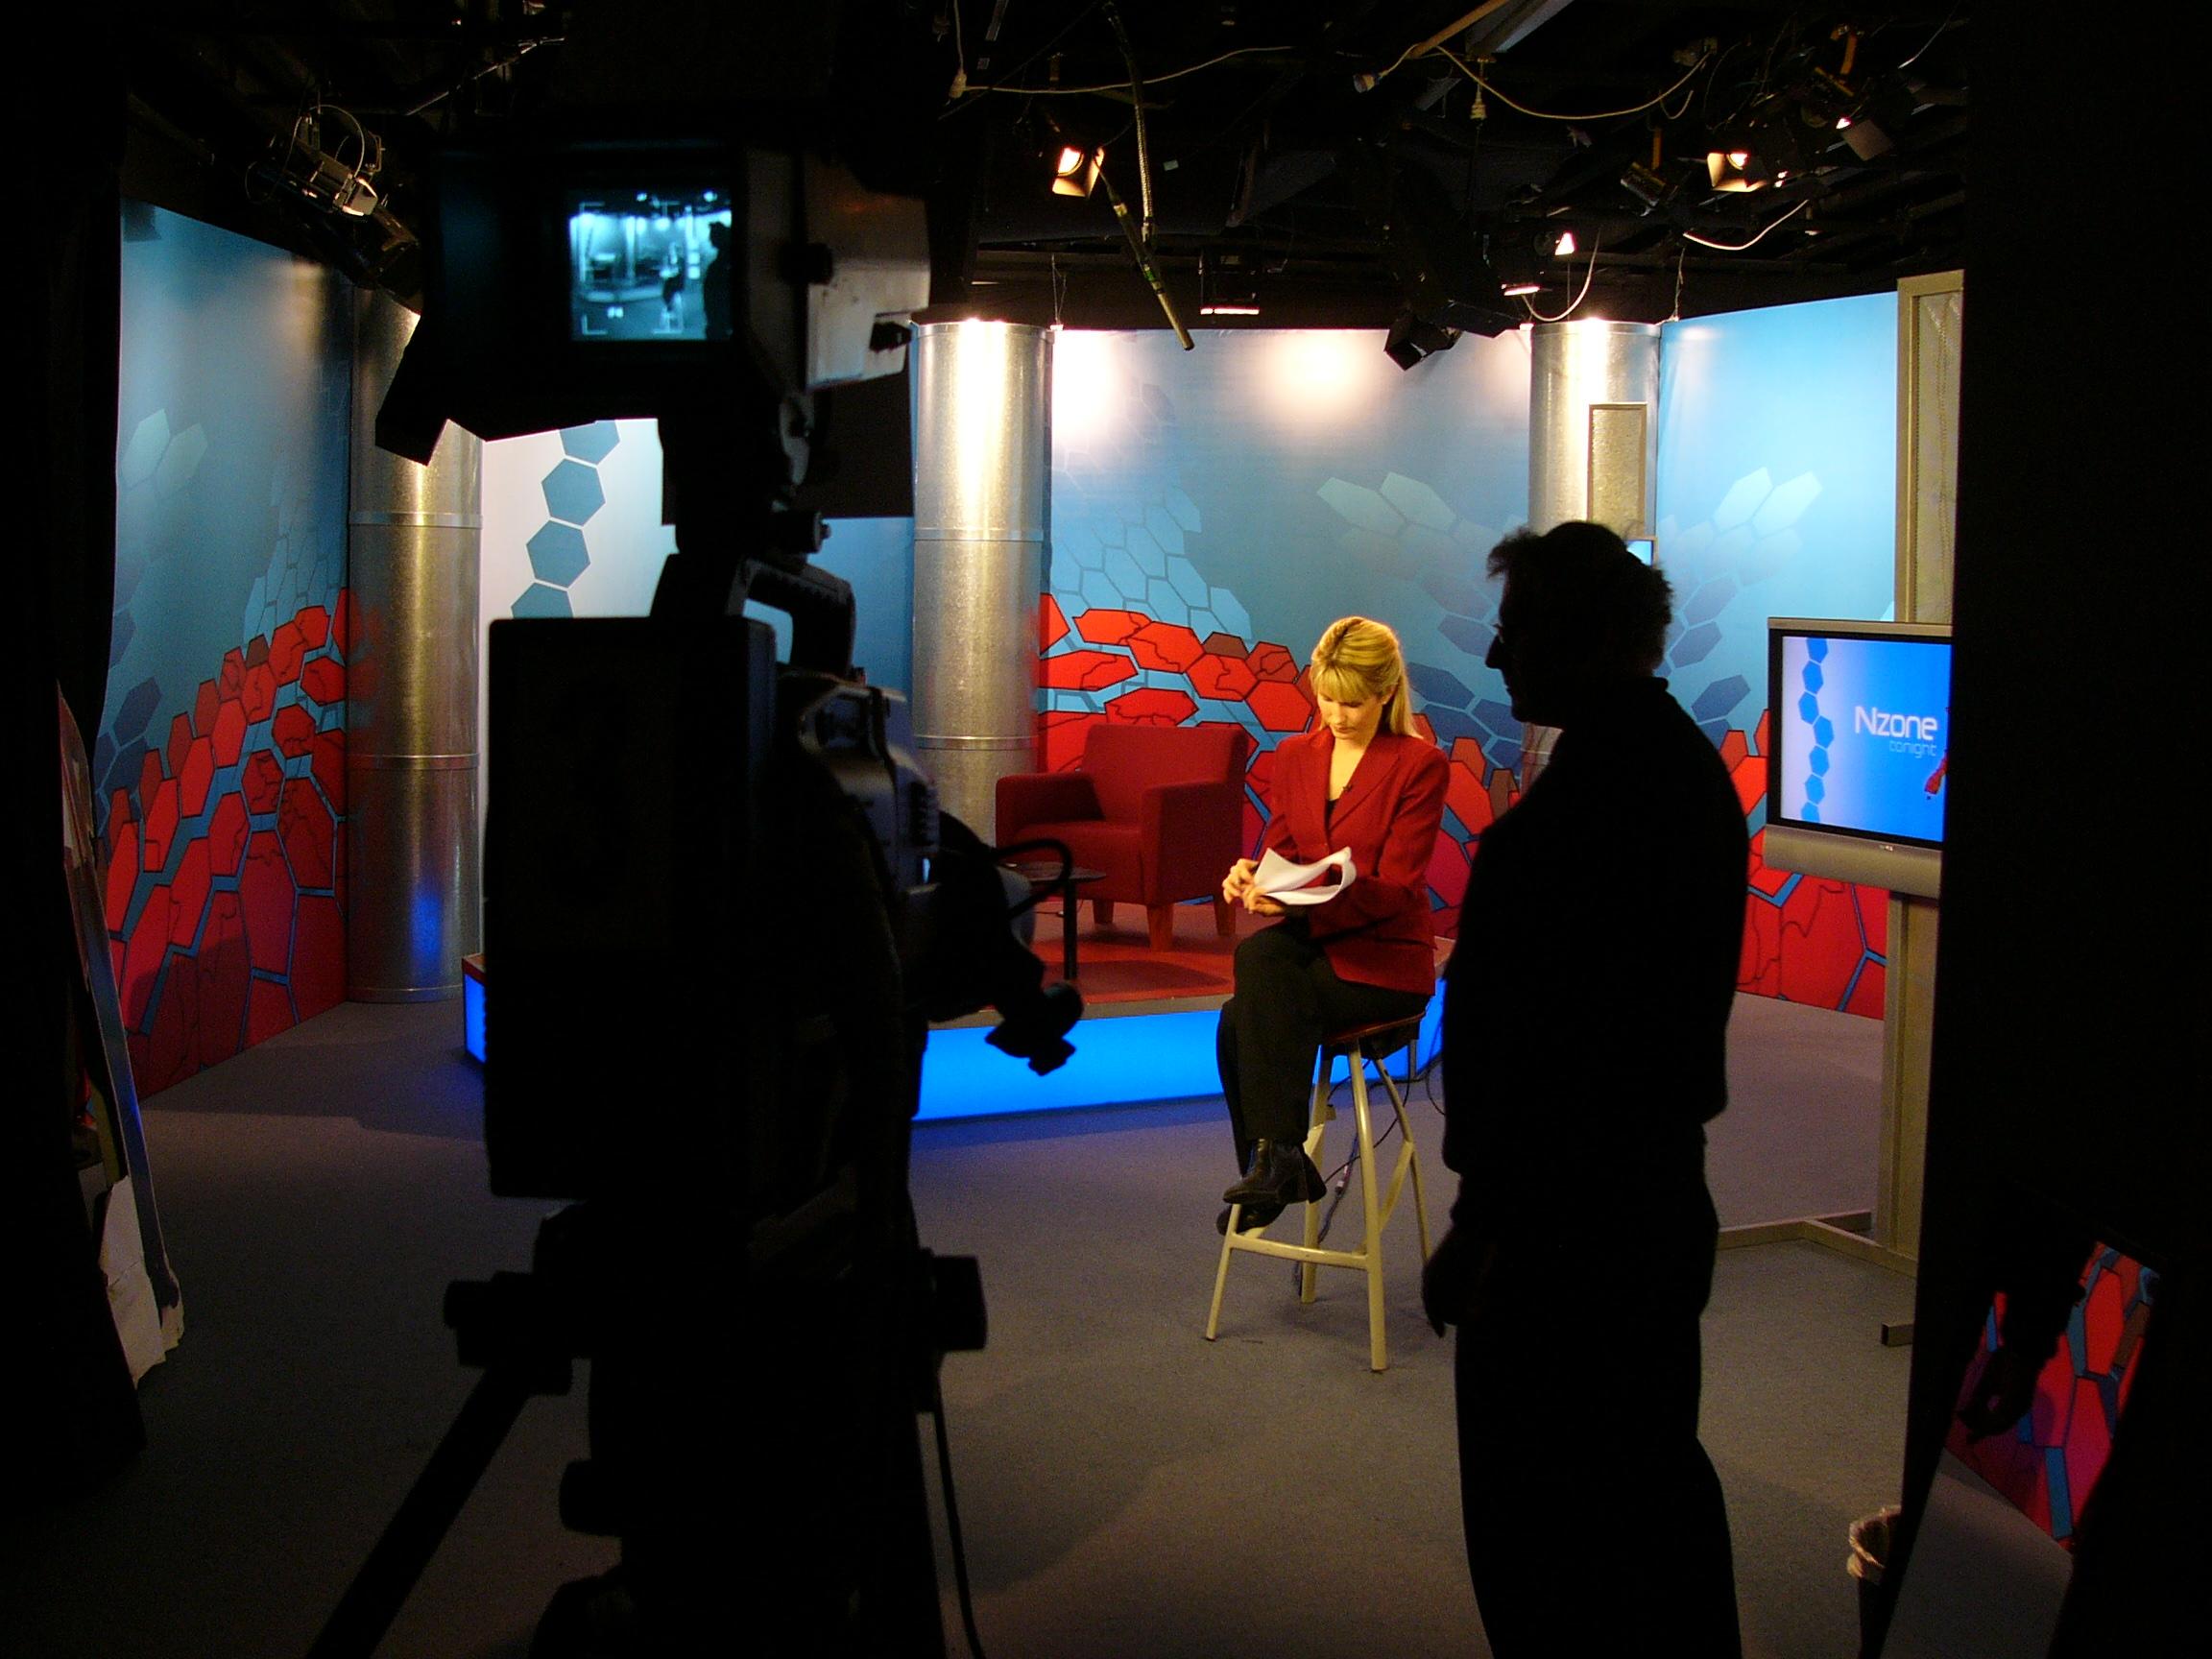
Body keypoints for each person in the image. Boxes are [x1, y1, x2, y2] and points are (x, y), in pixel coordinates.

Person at [1421, 522, 1746, 1657]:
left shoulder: (1578, 825)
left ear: (1587, 637)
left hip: (1561, 1242)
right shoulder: (1680, 776)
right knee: (1651, 1495)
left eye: (1517, 631)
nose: (1500, 657)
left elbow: (1560, 1062)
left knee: (1547, 1539)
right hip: (1646, 1209)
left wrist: (1478, 1230)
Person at [1215, 616, 1448, 1233]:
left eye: (1352, 702)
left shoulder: (1419, 765)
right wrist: (1254, 879)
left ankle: (1271, 1167)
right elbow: (1282, 851)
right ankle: (1277, 1160)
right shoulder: (1295, 755)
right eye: (1326, 699)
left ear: (1387, 694)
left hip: (1383, 961)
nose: (1337, 715)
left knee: (1246, 1009)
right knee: (1253, 976)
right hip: (1313, 946)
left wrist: (1299, 900)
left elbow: (1397, 889)